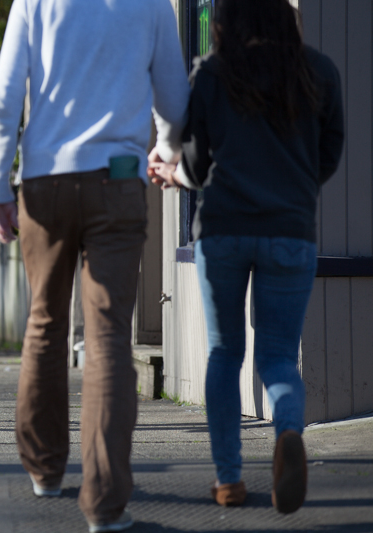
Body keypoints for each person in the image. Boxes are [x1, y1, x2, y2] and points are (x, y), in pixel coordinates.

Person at [0, 1, 189, 531]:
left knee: (45, 323)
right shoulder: (153, 6)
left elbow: (6, 94)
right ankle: (103, 503)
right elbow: (173, 97)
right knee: (109, 337)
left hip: (45, 180)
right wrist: (166, 148)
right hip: (117, 180)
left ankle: (45, 471)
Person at [148, 0, 344, 514]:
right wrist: (293, 188)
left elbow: (196, 159)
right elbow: (330, 152)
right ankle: (288, 433)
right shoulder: (319, 70)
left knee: (224, 353)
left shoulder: (213, 73)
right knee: (279, 356)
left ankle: (229, 480)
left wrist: (173, 175)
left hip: (223, 230)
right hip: (291, 231)